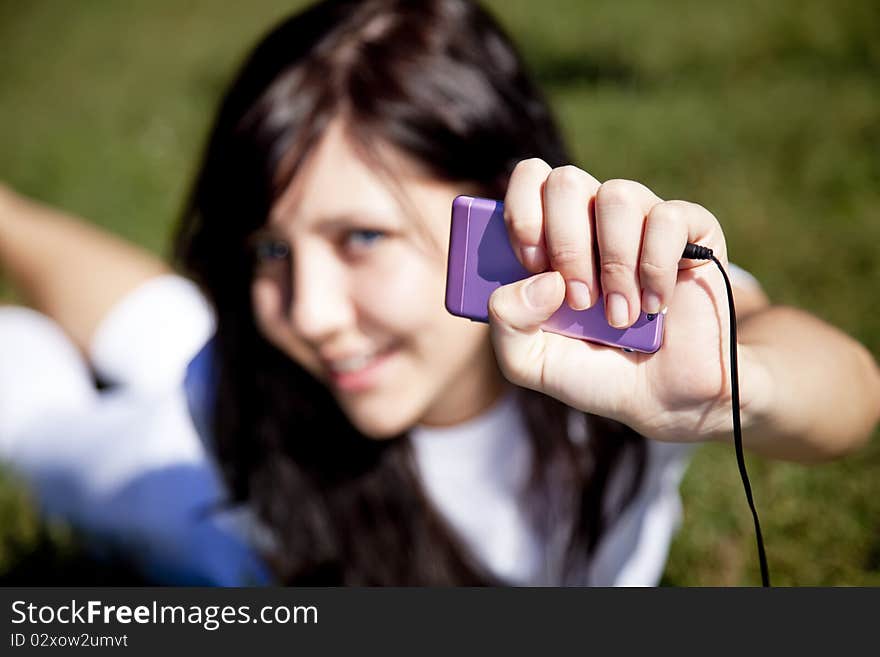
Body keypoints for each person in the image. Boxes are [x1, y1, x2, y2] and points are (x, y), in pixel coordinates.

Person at [0, 0, 878, 586]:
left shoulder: (616, 346)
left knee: (173, 333)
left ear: (505, 217)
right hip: (193, 479)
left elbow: (845, 392)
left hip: (222, 390)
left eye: (363, 238)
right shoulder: (244, 403)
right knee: (41, 418)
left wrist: (735, 386)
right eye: (271, 248)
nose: (307, 310)